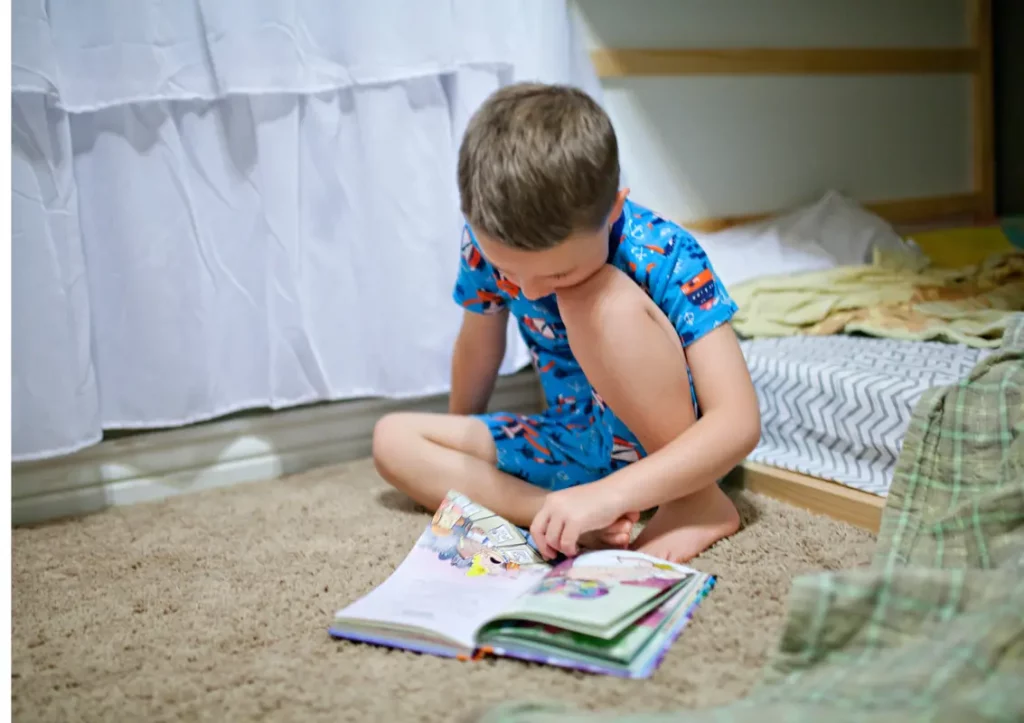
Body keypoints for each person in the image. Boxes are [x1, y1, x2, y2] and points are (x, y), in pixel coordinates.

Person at [372, 82, 761, 562]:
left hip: (673, 456)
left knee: (595, 300)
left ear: (613, 211)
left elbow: (739, 421)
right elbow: (478, 346)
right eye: (511, 272)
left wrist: (614, 495)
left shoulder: (661, 250)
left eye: (558, 271)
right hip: (570, 438)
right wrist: (459, 454)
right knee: (392, 439)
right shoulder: (482, 246)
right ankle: (556, 514)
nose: (531, 291)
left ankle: (695, 503)